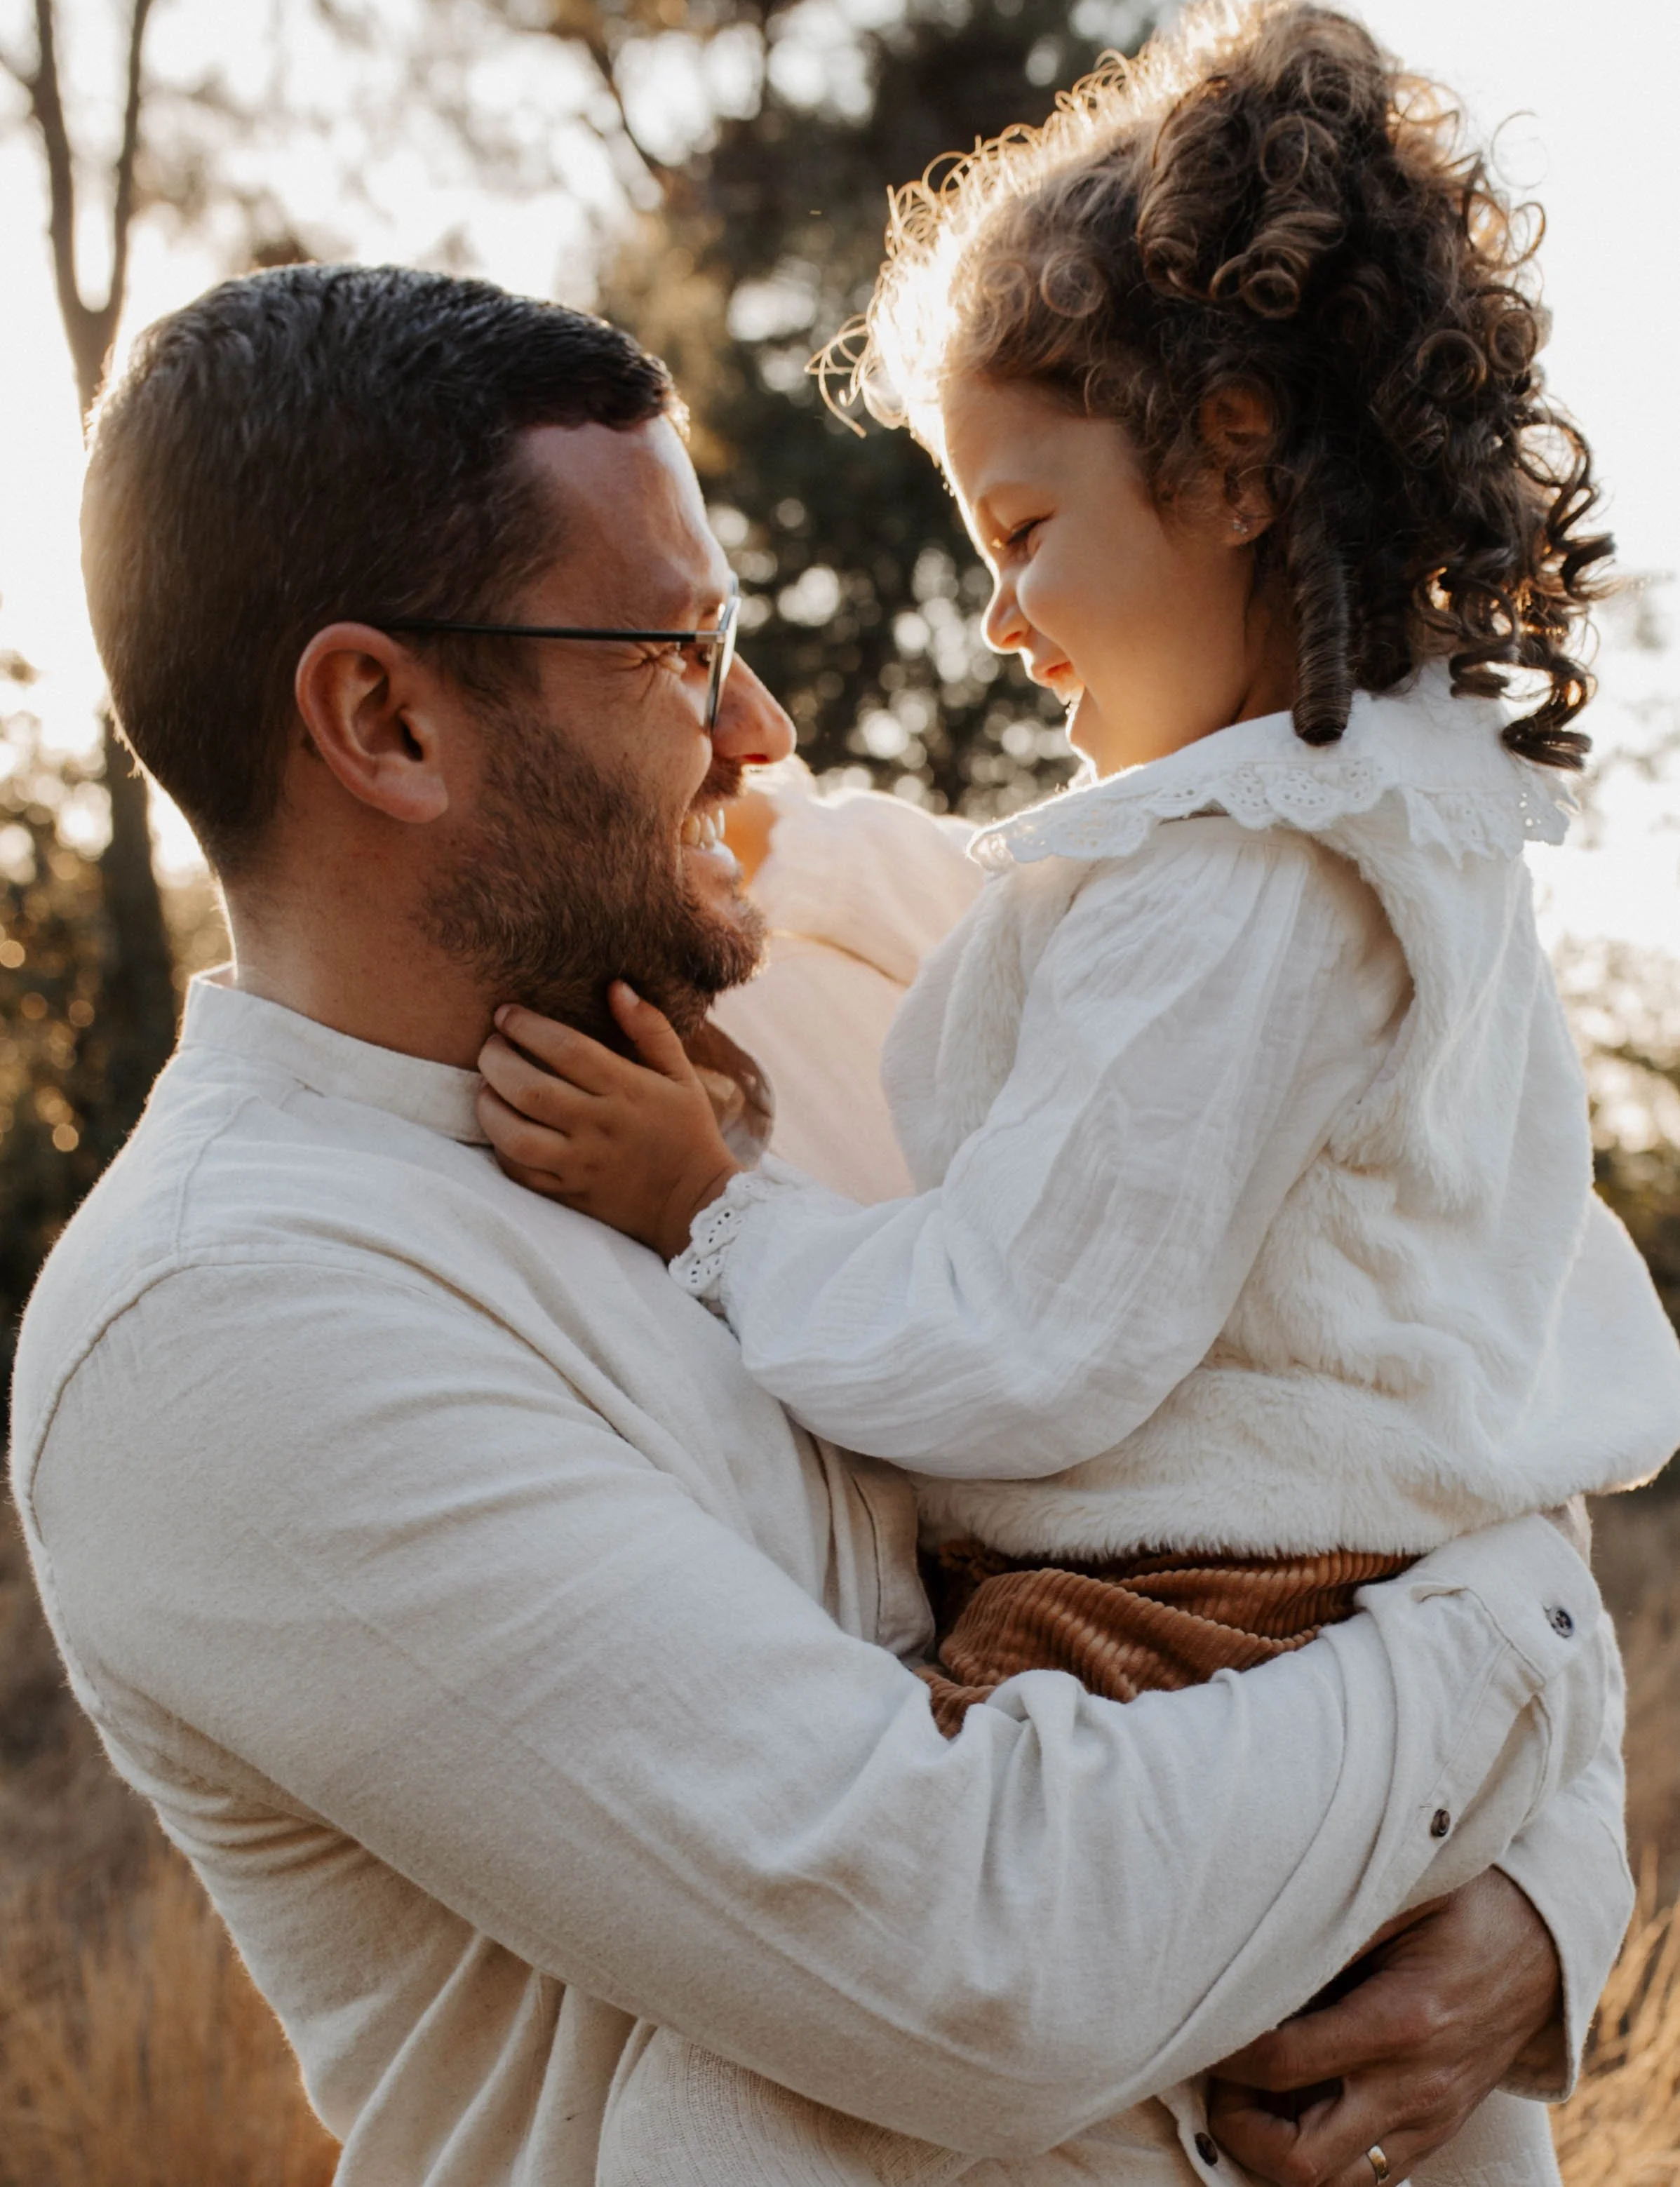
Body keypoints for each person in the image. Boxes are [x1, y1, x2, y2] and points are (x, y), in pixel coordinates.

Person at [4, 261, 1624, 2187]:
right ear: (387, 721)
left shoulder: (891, 972)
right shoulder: (221, 1328)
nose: (759, 727)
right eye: (674, 652)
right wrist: (1499, 1664)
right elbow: (981, 1953)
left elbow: (1457, 1348)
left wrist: (1542, 1907)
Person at [468, 0, 1680, 2181]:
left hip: (1193, 1623)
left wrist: (712, 1211)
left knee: (723, 2106)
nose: (1003, 615)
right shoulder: (1361, 831)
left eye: (1023, 529)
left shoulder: (1247, 890)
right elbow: (1030, 948)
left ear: (1229, 459)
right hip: (1349, 1618)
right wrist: (808, 850)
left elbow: (1035, 1329)